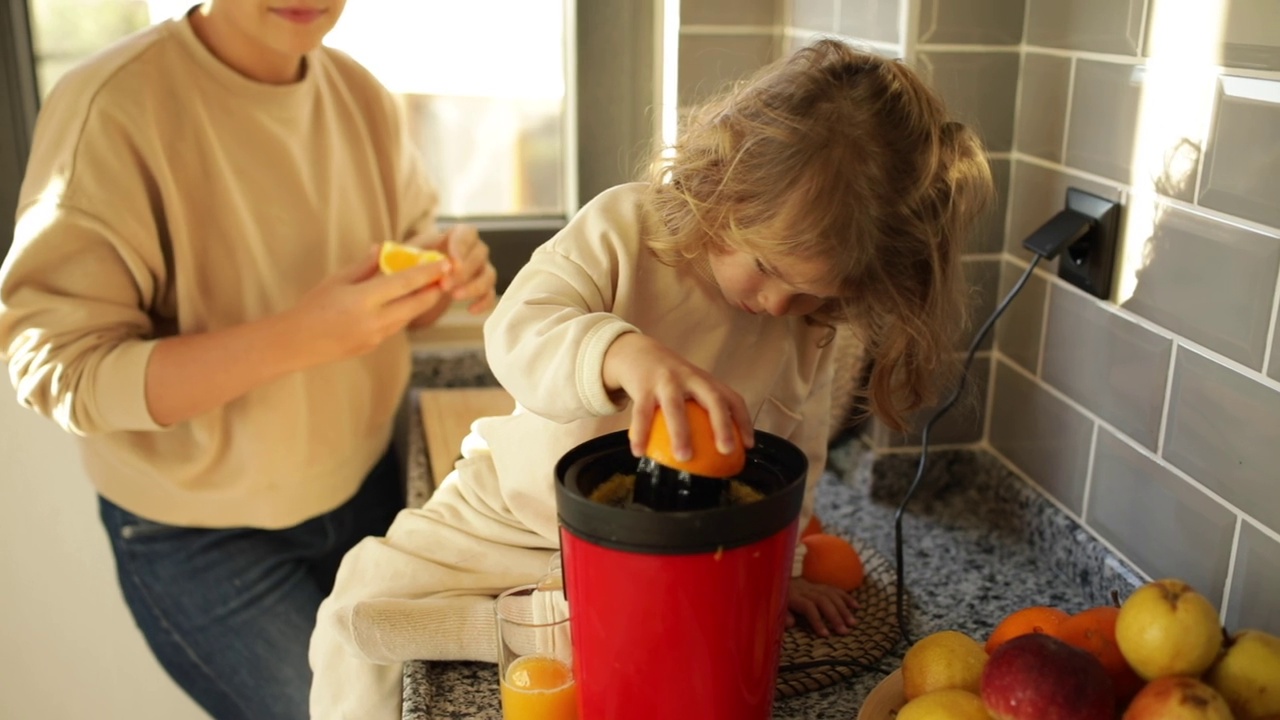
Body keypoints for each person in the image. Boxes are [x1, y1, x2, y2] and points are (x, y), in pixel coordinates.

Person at [308, 38, 993, 718]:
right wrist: (623, 354)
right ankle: (529, 625)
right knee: (355, 605)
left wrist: (781, 572)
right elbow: (516, 331)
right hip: (511, 519)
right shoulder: (624, 229)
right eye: (770, 268)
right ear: (730, 184)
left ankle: (534, 628)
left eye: (817, 293)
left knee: (679, 658)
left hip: (671, 559)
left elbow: (795, 454)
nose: (782, 306)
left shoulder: (813, 324)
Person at [0, 1, 497, 718]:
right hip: (205, 543)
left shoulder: (359, 94)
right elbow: (61, 371)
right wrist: (301, 336)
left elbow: (399, 275)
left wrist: (441, 278)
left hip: (367, 493)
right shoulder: (109, 108)